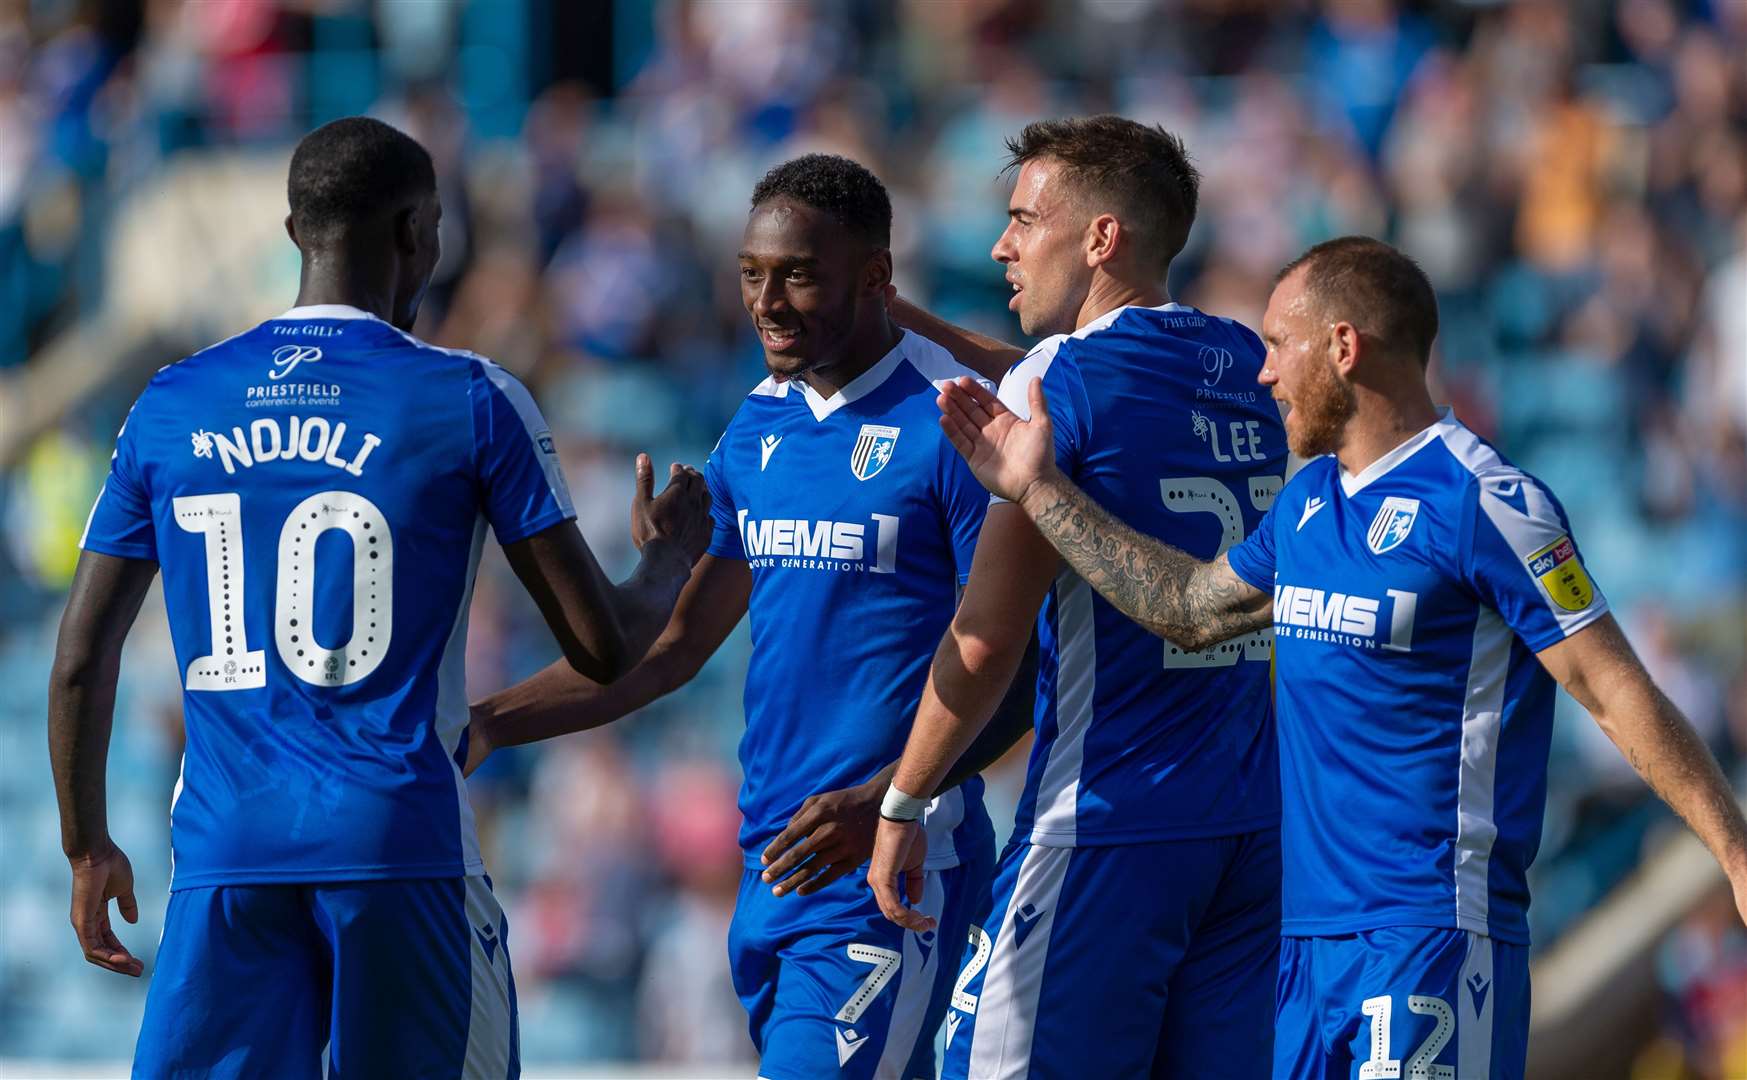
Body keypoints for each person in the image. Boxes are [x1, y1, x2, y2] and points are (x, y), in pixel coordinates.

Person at [932, 235, 1747, 1079]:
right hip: (1300, 946)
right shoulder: (1306, 505)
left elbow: (1613, 690)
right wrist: (1038, 491)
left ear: (1342, 347)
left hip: (1429, 934)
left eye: (1279, 345)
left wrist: (1732, 849)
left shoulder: (1488, 503)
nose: (1264, 373)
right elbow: (1186, 609)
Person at [48, 116, 711, 1078]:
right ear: (418, 234)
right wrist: (664, 560)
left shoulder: (172, 402)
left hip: (227, 851)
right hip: (398, 845)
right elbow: (604, 647)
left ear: (292, 232)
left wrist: (85, 845)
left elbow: (78, 659)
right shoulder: (469, 398)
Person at [463, 153, 1027, 1080]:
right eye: (751, 274)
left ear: (877, 277)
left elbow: (1014, 665)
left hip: (891, 865)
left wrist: (894, 801)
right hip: (775, 866)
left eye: (798, 274)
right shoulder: (758, 426)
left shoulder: (955, 423)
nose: (766, 301)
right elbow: (669, 650)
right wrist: (488, 724)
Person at [866, 115, 1287, 1079]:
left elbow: (984, 641)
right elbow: (1084, 381)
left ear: (1099, 239)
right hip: (1247, 830)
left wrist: (902, 801)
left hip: (1106, 821)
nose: (999, 245)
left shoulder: (1053, 384)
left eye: (1021, 219)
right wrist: (914, 322)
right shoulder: (1241, 361)